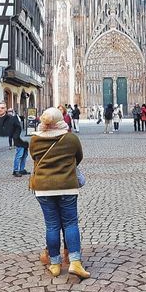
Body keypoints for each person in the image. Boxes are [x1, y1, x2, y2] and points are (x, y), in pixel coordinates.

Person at [29, 107, 90, 279]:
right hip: (67, 186)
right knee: (70, 223)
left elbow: (34, 157)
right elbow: (78, 157)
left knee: (52, 225)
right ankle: (75, 262)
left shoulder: (35, 140)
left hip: (43, 188)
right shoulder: (71, 139)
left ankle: (55, 264)